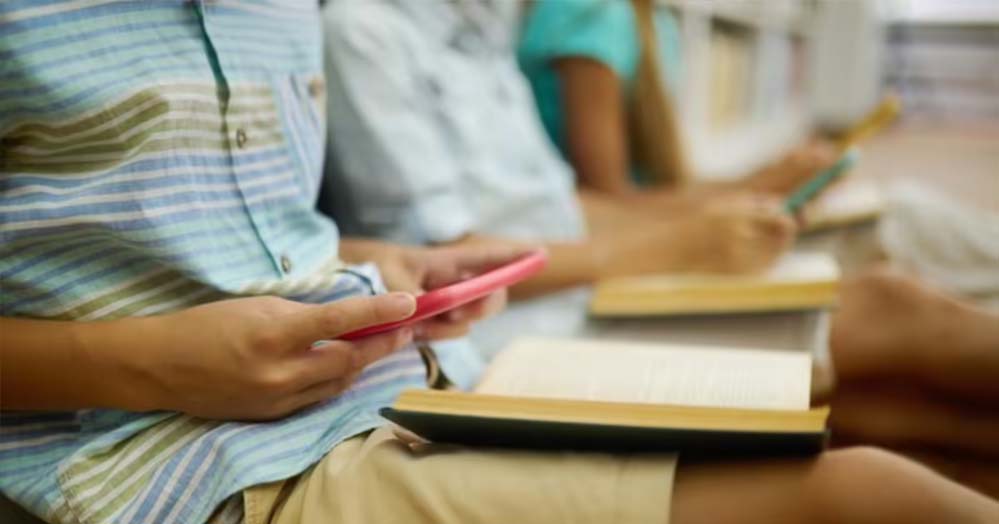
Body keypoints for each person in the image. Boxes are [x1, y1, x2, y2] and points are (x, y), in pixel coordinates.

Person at [3, 2, 997, 524]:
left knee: (888, 362)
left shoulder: (313, 17)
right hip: (183, 460)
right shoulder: (368, 29)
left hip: (416, 371)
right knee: (873, 474)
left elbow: (260, 234)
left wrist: (392, 261)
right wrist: (151, 362)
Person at [322, 0, 999, 504]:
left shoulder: (480, 31)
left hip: (582, 287)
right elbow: (447, 261)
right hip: (524, 329)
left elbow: (566, 203)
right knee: (888, 316)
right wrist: (675, 244)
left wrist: (716, 213)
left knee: (893, 393)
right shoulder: (365, 32)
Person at [518, 0, 838, 215]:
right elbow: (608, 204)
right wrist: (758, 185)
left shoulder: (658, 22)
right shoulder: (590, 13)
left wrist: (764, 183)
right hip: (608, 234)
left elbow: (657, 186)